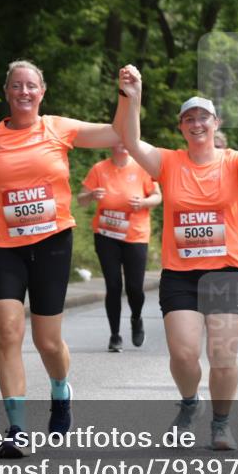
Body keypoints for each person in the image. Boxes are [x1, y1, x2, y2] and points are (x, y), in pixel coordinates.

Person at [0, 60, 139, 458]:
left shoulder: (57, 128)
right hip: (3, 246)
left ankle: (60, 389)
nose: (23, 92)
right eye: (16, 85)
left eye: (30, 85)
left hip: (52, 241)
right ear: (7, 92)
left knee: (47, 341)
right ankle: (17, 429)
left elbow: (118, 132)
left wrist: (127, 96)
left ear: (42, 91)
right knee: (7, 332)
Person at [117, 88, 238, 451]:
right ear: (181, 128)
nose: (197, 123)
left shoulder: (233, 162)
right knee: (184, 355)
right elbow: (130, 139)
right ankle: (190, 402)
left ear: (215, 123)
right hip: (182, 274)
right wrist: (134, 97)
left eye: (203, 117)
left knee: (222, 357)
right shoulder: (167, 162)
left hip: (228, 272)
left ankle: (221, 424)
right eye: (189, 118)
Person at [77, 144, 162, 352]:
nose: (123, 145)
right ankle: (115, 335)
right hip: (106, 234)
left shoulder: (142, 167)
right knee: (113, 285)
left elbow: (157, 196)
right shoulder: (99, 168)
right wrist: (91, 196)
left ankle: (136, 317)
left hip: (135, 234)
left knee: (134, 287)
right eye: (118, 141)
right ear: (112, 145)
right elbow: (81, 200)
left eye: (126, 141)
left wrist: (142, 202)